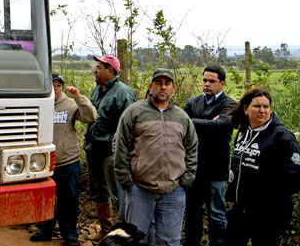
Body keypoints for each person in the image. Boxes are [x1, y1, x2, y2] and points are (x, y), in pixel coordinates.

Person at [114, 68, 198, 246]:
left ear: (173, 88)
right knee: (135, 239)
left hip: (174, 191)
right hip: (140, 189)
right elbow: (121, 145)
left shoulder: (182, 117)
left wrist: (187, 179)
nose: (163, 87)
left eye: (167, 83)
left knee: (169, 241)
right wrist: (126, 180)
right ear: (151, 86)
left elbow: (192, 148)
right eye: (158, 83)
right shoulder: (134, 112)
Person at [225, 88, 300, 246]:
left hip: (268, 214)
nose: (262, 110)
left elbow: (295, 176)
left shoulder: (282, 136)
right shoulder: (243, 132)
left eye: (266, 106)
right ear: (246, 109)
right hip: (241, 209)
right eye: (257, 106)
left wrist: (268, 198)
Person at [30, 73, 97, 246]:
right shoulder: (39, 103)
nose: (56, 88)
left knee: (69, 200)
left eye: (59, 85)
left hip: (68, 161)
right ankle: (45, 230)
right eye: (52, 85)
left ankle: (70, 235)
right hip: (43, 163)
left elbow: (90, 117)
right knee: (45, 199)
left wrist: (79, 98)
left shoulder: (70, 105)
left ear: (62, 87)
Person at [83, 54, 137, 240]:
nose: (95, 71)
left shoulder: (124, 93)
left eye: (99, 67)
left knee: (117, 194)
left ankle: (121, 235)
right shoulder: (97, 90)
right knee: (99, 192)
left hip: (111, 152)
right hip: (93, 148)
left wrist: (121, 151)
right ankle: (105, 229)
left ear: (110, 71)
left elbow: (128, 126)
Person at [182, 65, 237, 246]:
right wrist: (208, 124)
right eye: (205, 80)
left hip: (216, 168)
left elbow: (222, 126)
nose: (207, 84)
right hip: (193, 167)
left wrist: (193, 124)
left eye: (212, 81)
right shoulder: (193, 102)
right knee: (192, 212)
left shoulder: (229, 104)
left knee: (216, 213)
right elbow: (181, 125)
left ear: (221, 83)